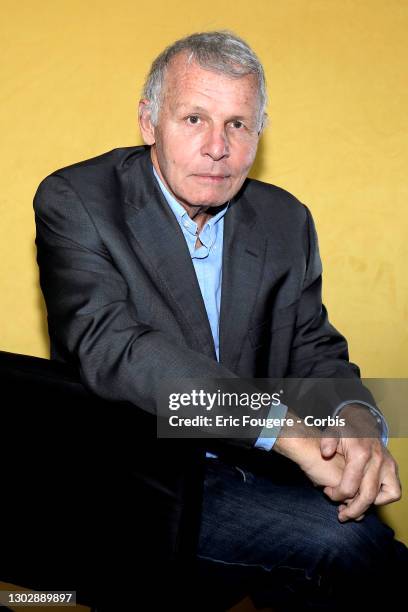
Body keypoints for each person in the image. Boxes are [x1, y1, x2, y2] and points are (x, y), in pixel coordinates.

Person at [34, 31, 406, 611]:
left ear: (260, 131)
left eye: (239, 124)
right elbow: (118, 349)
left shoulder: (286, 219)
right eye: (193, 118)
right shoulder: (76, 201)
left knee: (354, 546)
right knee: (350, 546)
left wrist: (354, 417)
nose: (218, 147)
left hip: (259, 469)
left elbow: (310, 345)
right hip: (138, 481)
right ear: (148, 121)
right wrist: (284, 429)